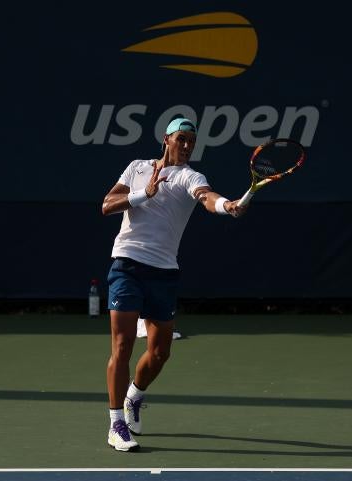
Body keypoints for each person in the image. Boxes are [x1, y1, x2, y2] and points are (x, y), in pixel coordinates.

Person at [101, 117, 246, 452]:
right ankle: (116, 425)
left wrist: (228, 206)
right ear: (166, 139)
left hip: (163, 272)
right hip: (126, 264)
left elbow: (208, 198)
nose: (187, 145)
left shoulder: (190, 177)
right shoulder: (137, 167)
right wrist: (143, 194)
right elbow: (107, 205)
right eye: (181, 138)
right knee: (122, 346)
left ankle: (133, 396)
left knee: (160, 352)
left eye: (191, 141)